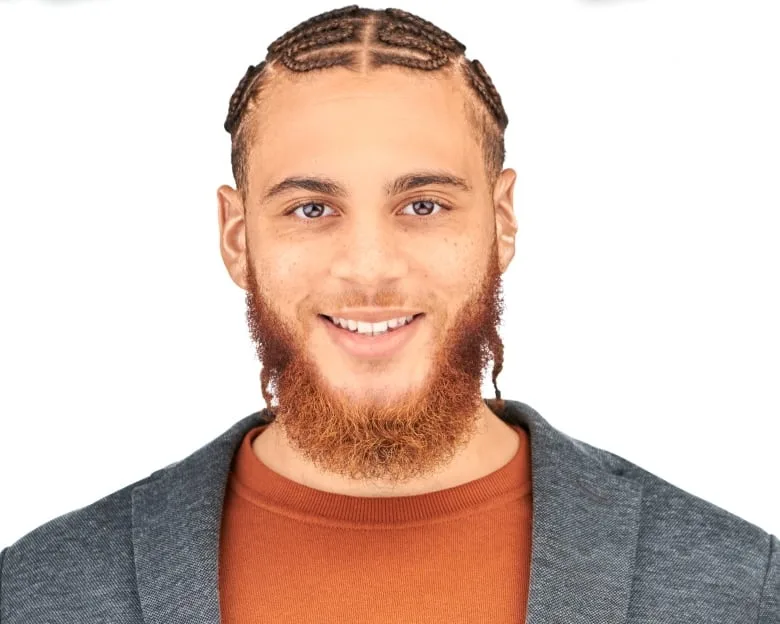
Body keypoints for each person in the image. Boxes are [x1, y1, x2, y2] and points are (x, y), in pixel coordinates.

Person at [0, 5, 777, 623]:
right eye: (311, 208)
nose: (370, 268)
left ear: (503, 220)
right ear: (237, 239)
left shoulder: (742, 590)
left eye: (424, 203)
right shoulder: (40, 591)